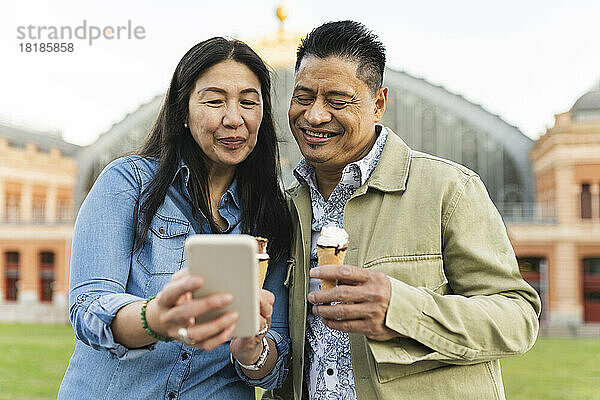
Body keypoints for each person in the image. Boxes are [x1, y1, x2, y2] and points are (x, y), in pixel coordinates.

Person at [267, 21, 541, 400]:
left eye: (337, 101)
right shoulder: (282, 207)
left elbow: (518, 319)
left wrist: (401, 310)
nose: (314, 115)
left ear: (378, 104)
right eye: (303, 96)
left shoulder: (449, 189)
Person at [58, 37, 292, 399]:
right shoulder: (128, 183)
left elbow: (275, 363)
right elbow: (88, 308)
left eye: (249, 102)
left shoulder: (272, 214)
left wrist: (252, 350)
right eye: (214, 101)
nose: (234, 118)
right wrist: (157, 319)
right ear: (182, 111)